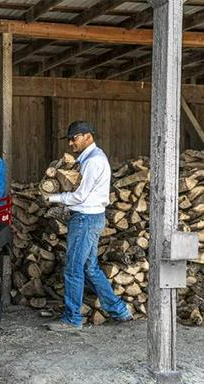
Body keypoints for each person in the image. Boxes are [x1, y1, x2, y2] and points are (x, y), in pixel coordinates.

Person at [44, 121, 132, 332]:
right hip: (91, 218)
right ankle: (119, 310)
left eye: (74, 138)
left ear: (87, 136)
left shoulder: (93, 161)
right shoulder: (91, 158)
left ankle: (72, 319)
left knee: (73, 269)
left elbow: (80, 196)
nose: (71, 143)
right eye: (70, 139)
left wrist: (53, 198)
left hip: (85, 219)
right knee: (90, 268)